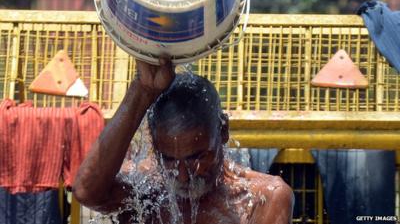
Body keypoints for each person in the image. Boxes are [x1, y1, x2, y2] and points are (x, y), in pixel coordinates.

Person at [72, 57, 294, 224]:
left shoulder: (262, 198)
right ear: (155, 144)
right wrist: (142, 91)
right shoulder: (146, 190)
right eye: (168, 159)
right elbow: (86, 192)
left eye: (196, 157)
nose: (183, 174)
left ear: (223, 131)